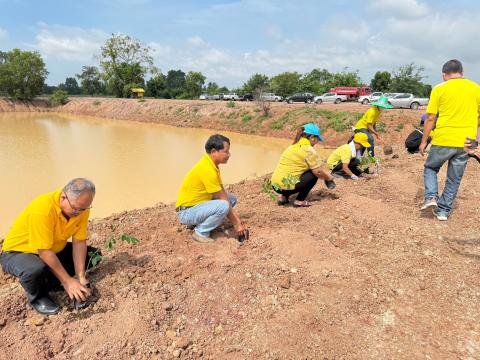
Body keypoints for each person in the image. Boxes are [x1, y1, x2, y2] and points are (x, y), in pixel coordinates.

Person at [0, 178, 97, 315]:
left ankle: (54, 281)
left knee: (93, 255)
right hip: (18, 253)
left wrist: (81, 277)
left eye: (84, 209)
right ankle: (38, 297)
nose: (79, 213)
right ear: (63, 197)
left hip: (53, 249)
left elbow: (79, 242)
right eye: (75, 208)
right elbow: (44, 252)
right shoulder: (42, 210)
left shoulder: (81, 208)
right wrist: (68, 281)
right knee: (35, 269)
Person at [419, 59, 480, 220]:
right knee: (454, 178)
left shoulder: (439, 89)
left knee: (431, 168)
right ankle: (443, 212)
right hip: (467, 141)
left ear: (444, 75)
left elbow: (431, 118)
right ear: (462, 73)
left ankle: (431, 197)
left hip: (443, 139)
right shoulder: (476, 89)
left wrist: (424, 141)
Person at [176, 134, 248, 243]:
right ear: (214, 151)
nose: (229, 155)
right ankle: (201, 232)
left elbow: (221, 191)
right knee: (223, 205)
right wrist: (237, 224)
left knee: (231, 199)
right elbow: (222, 199)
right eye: (226, 152)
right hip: (187, 212)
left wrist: (237, 221)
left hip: (195, 206)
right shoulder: (207, 169)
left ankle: (197, 222)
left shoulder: (211, 165)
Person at [271, 123, 336, 207]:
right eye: (317, 139)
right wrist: (328, 177)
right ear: (312, 137)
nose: (317, 142)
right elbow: (318, 172)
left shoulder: (292, 146)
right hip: (286, 187)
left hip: (275, 186)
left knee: (294, 171)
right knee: (313, 173)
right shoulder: (308, 149)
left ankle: (283, 197)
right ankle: (299, 200)